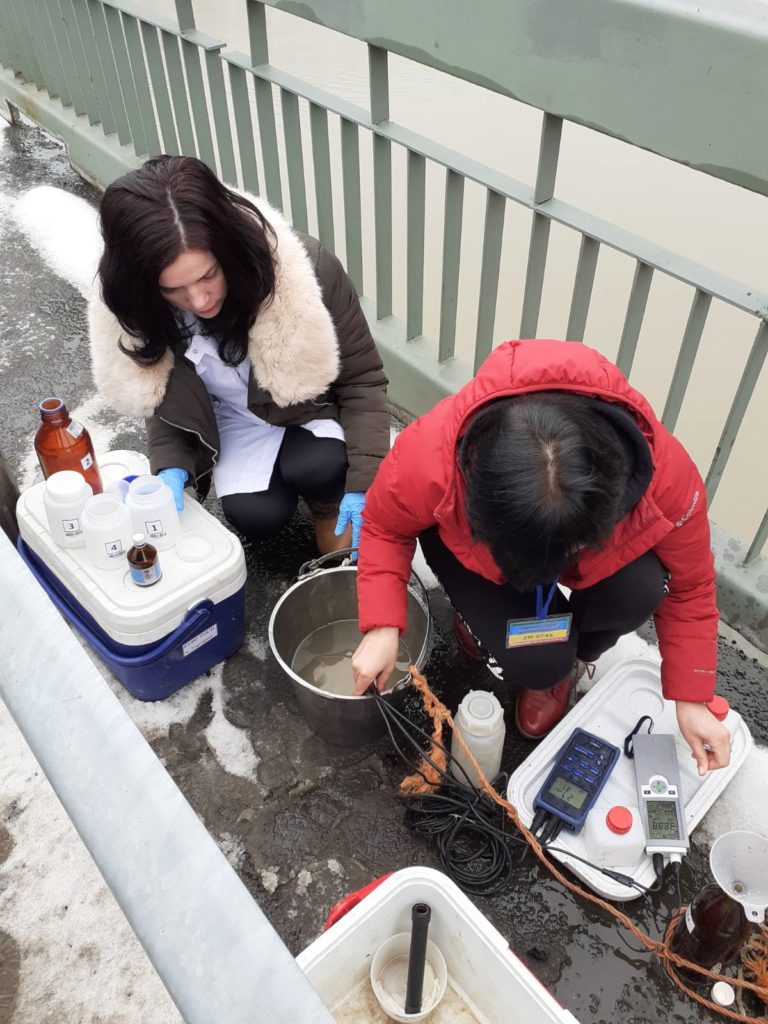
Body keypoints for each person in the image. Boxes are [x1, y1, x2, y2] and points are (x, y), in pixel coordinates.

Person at [353, 339, 731, 776]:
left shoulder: (666, 477)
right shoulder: (430, 456)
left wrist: (691, 696)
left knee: (641, 587)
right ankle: (516, 638)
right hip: (480, 556)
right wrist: (383, 625)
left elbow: (691, 587)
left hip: (573, 560)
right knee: (537, 660)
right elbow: (385, 524)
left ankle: (571, 658)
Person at [88, 156, 389, 553]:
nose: (198, 299)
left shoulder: (306, 272)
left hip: (306, 406)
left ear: (228, 250)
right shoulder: (137, 307)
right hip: (233, 419)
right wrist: (171, 464)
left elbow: (363, 381)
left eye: (208, 275)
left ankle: (327, 507)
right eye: (174, 289)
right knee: (256, 516)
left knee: (319, 467)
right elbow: (160, 395)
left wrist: (366, 480)